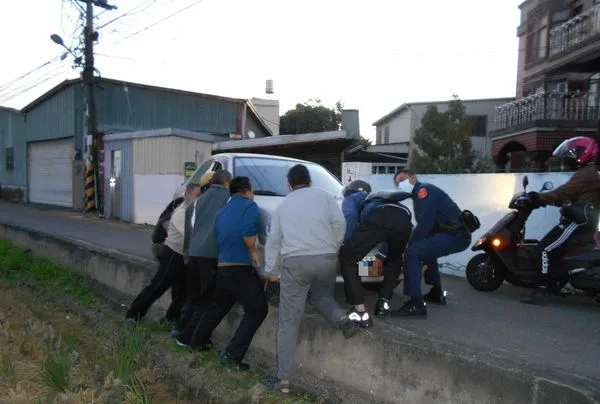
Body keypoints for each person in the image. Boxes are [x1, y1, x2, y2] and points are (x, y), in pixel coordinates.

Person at [263, 164, 358, 394]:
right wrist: (332, 249)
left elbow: (274, 240)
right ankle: (340, 318)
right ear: (310, 182)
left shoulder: (284, 204)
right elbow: (340, 224)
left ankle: (282, 381)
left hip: (296, 263)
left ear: (289, 185)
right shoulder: (325, 197)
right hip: (325, 260)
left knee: (288, 322)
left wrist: (272, 270)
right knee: (322, 296)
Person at [187, 176, 268, 371]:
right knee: (258, 309)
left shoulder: (223, 211)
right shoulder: (250, 206)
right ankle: (232, 355)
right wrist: (254, 254)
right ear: (248, 192)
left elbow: (217, 237)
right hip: (240, 267)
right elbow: (248, 231)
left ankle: (196, 340)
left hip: (223, 267)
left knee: (219, 304)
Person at [392, 170, 471, 318]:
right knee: (426, 250)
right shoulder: (418, 195)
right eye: (398, 183)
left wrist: (408, 246)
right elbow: (428, 226)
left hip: (454, 235)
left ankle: (415, 303)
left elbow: (425, 224)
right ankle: (436, 293)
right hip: (455, 235)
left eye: (402, 179)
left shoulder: (423, 191)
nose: (400, 184)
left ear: (413, 177)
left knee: (413, 253)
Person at [530, 136, 600, 295]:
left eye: (572, 154)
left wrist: (539, 197)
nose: (569, 158)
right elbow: (570, 196)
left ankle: (541, 288)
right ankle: (554, 285)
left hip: (577, 221)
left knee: (544, 250)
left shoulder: (586, 174)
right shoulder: (588, 172)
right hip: (581, 219)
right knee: (555, 252)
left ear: (586, 153)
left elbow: (563, 193)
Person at [339, 180, 413, 327]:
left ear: (349, 191)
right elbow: (392, 226)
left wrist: (348, 244)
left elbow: (351, 216)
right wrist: (383, 254)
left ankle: (359, 311)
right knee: (395, 260)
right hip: (405, 219)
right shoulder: (377, 197)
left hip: (380, 217)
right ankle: (383, 304)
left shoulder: (351, 198)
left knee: (347, 258)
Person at [125, 183, 202, 323]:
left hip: (183, 256)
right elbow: (190, 236)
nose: (198, 199)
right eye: (196, 195)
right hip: (173, 254)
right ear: (187, 194)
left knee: (182, 292)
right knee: (158, 286)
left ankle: (170, 320)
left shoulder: (194, 214)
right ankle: (133, 314)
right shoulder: (181, 212)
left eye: (199, 196)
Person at [175, 169, 232, 347]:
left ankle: (180, 331)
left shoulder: (198, 202)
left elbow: (190, 229)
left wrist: (187, 254)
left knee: (193, 296)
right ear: (227, 183)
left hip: (194, 254)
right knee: (208, 300)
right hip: (211, 255)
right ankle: (191, 338)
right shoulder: (228, 199)